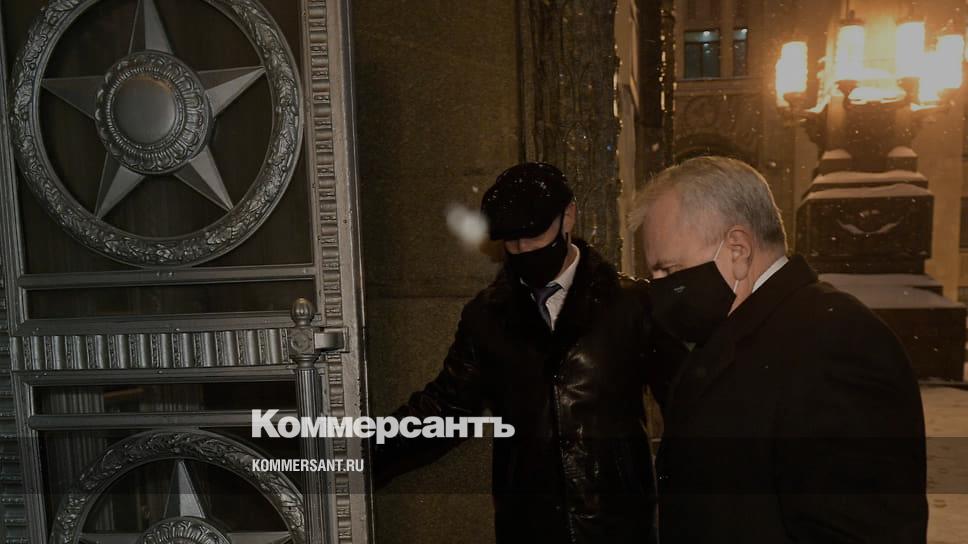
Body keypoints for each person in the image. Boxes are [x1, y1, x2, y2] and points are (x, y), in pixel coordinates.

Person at [374, 162, 676, 544]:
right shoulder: (487, 317)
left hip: (618, 527)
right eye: (511, 241)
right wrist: (362, 452)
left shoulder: (632, 305)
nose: (523, 250)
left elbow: (683, 402)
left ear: (568, 216)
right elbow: (446, 406)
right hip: (528, 527)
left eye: (532, 235)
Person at [631, 156, 927, 543]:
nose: (659, 289)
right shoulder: (733, 335)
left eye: (669, 270)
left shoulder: (838, 344)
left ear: (737, 250)